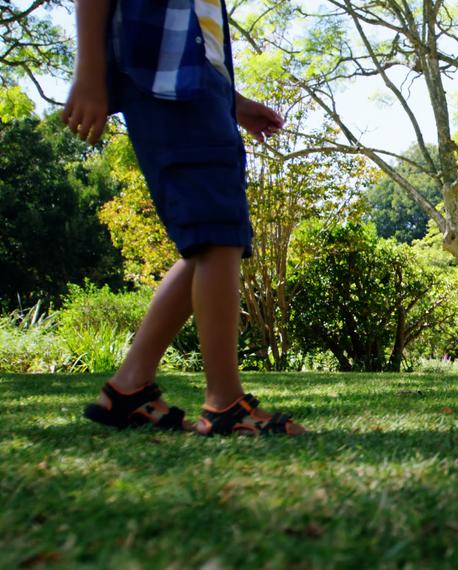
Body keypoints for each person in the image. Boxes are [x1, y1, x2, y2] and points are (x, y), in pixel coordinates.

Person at [62, 0, 305, 434]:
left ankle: (129, 389)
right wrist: (90, 73)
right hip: (165, 86)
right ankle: (225, 403)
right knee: (216, 237)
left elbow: (195, 40)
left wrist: (232, 100)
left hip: (198, 85)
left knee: (211, 240)